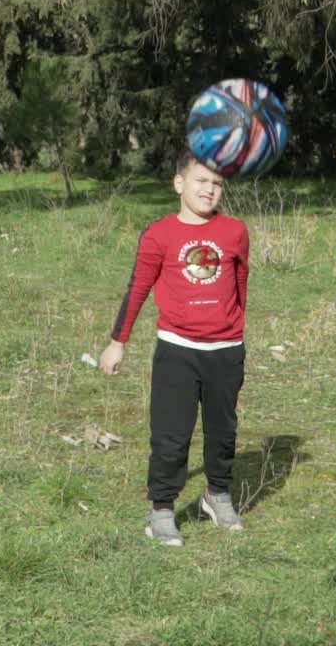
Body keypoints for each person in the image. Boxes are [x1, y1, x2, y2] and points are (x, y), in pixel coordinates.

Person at [98, 154, 250, 546]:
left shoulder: (235, 232)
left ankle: (217, 495)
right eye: (201, 181)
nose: (209, 190)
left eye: (217, 184)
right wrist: (117, 342)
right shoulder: (159, 235)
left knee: (223, 432)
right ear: (179, 183)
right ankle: (162, 510)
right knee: (171, 437)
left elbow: (240, 284)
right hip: (178, 351)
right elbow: (137, 289)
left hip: (226, 351)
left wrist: (234, 331)